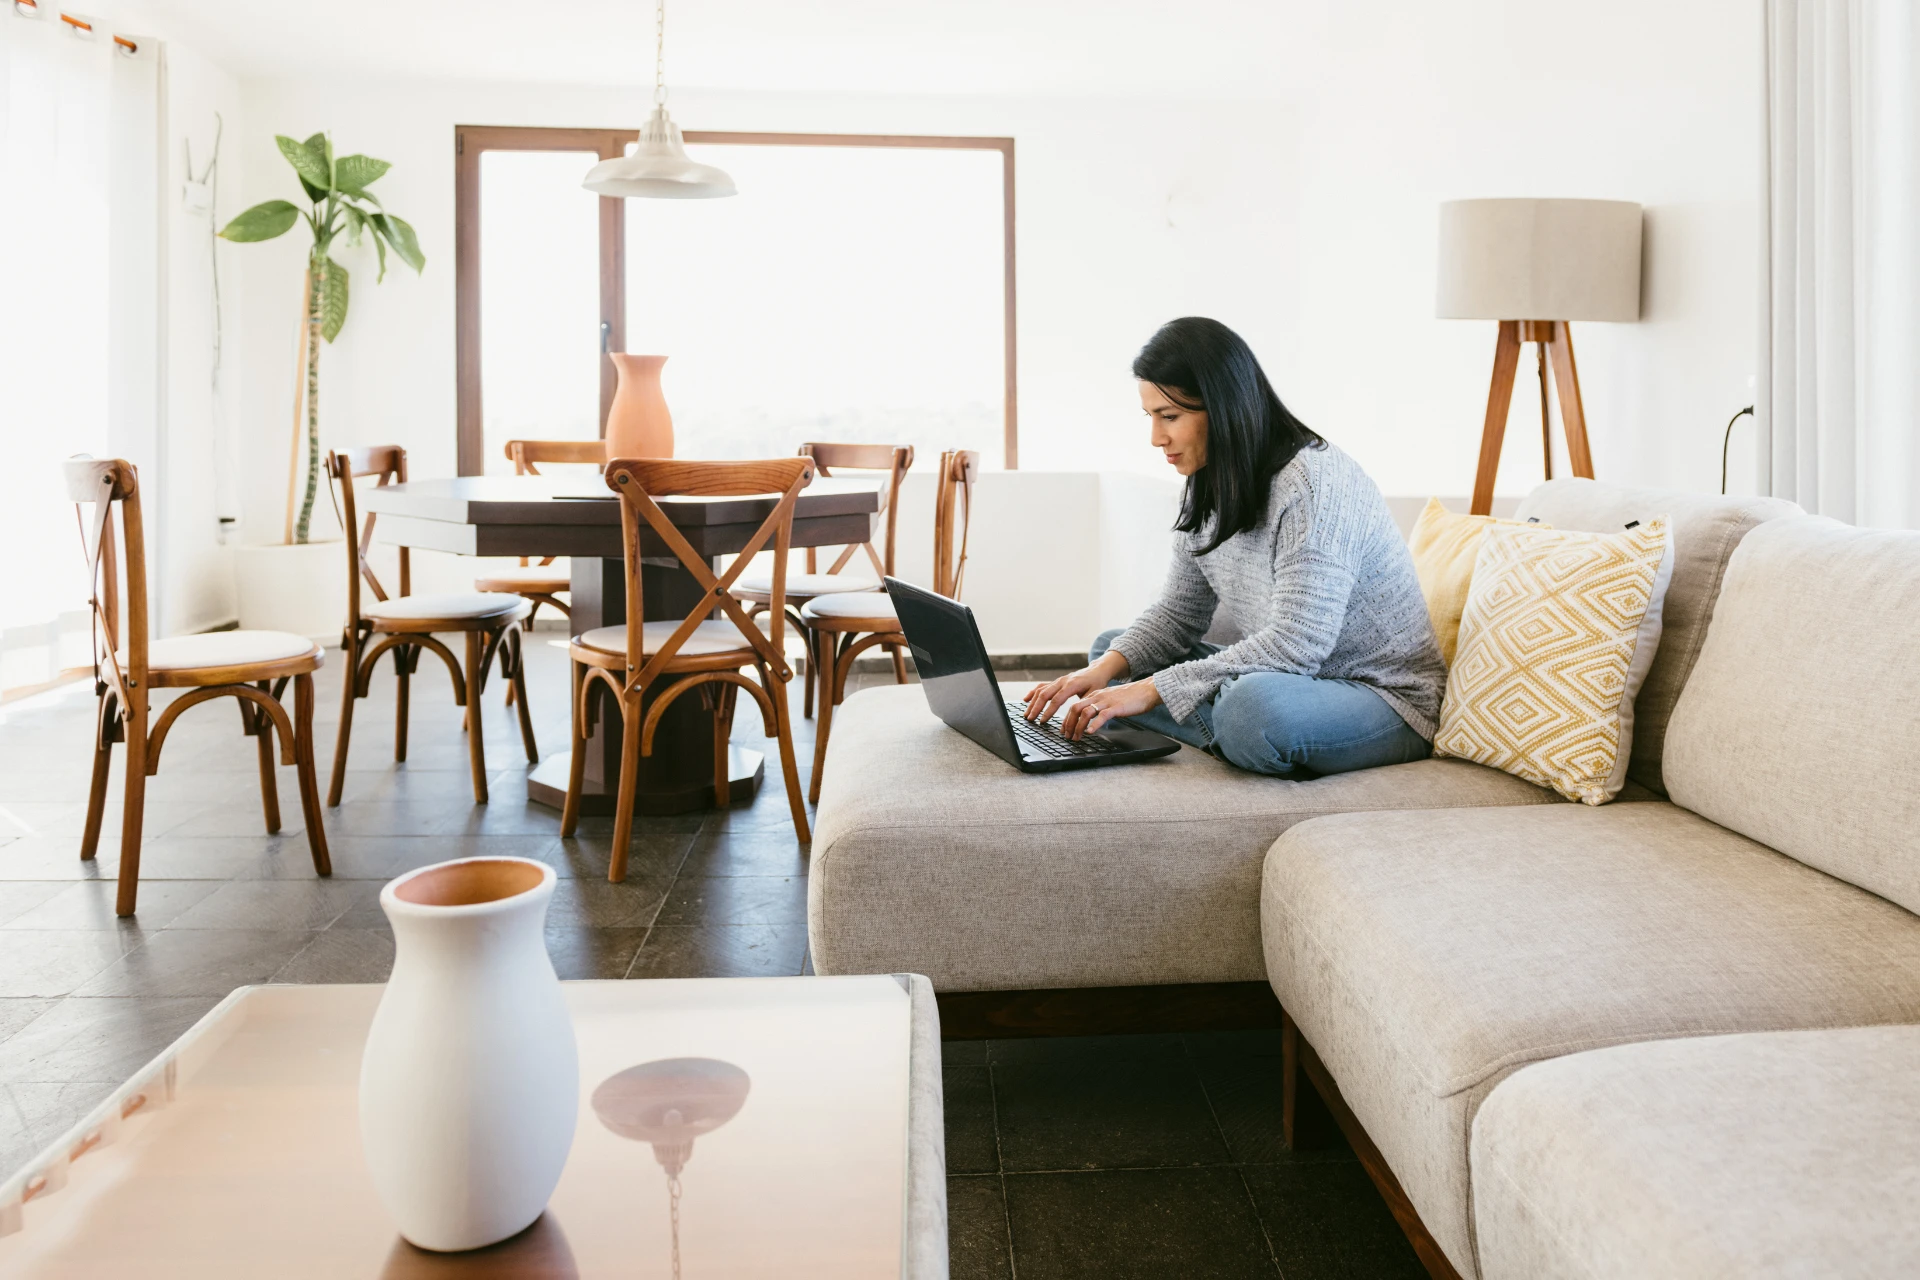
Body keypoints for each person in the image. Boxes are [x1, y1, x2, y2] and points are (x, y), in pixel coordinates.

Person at [1023, 316, 1444, 778]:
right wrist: (1107, 670)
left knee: (1248, 710)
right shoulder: (1205, 483)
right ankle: (1230, 731)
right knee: (1111, 654)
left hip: (1379, 697)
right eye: (1151, 417)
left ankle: (1234, 729)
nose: (1156, 438)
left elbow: (1298, 645)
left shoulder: (1315, 484)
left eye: (1170, 417)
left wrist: (1157, 690)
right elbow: (1178, 614)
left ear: (1223, 407)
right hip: (1285, 681)